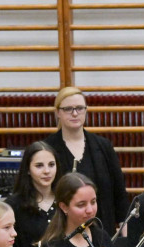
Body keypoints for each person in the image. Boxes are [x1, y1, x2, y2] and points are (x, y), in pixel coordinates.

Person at [43, 86, 130, 233]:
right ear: (58, 112)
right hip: (62, 234)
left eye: (79, 108)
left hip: (102, 230)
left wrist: (125, 233)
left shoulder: (103, 146)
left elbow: (119, 193)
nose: (75, 113)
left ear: (86, 110)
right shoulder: (47, 148)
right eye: (68, 109)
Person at [4, 141, 58, 247]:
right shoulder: (13, 206)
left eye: (51, 164)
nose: (47, 171)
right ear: (28, 169)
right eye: (39, 166)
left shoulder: (66, 201)